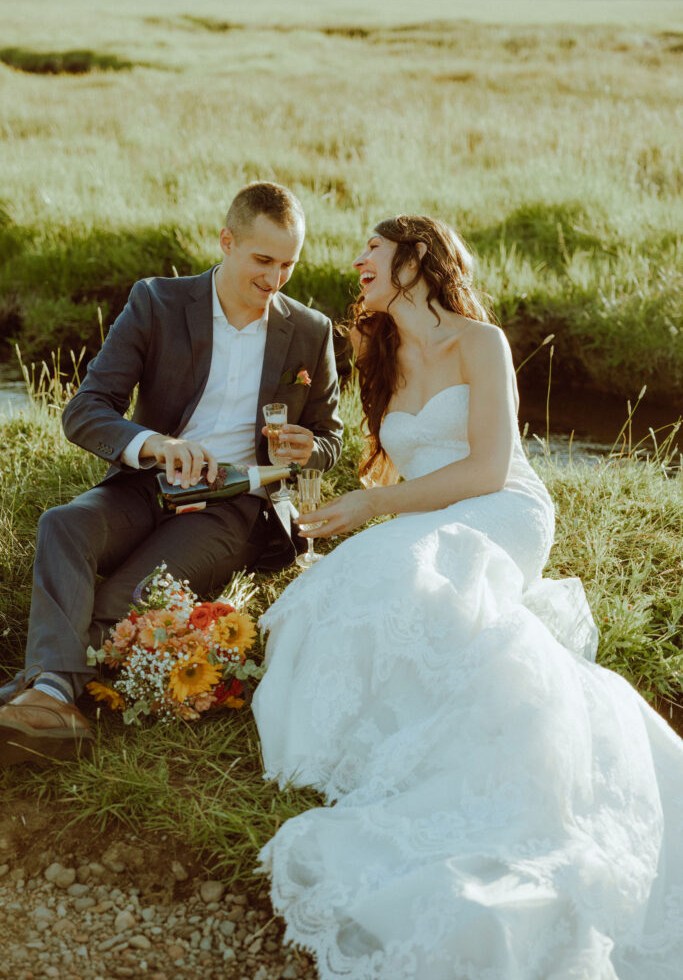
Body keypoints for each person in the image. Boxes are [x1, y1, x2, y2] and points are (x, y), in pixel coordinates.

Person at [252, 215, 683, 980]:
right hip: (425, 511)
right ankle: (385, 735)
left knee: (415, 562)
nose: (357, 262)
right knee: (347, 583)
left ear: (415, 261)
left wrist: (372, 509)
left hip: (501, 510)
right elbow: (391, 469)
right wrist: (339, 485)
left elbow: (485, 469)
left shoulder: (479, 343)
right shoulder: (373, 350)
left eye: (372, 252)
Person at [0, 181, 343, 766]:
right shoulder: (156, 301)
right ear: (226, 241)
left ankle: (45, 693)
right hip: (144, 483)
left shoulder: (309, 331)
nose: (275, 279)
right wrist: (155, 445)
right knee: (64, 524)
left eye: (288, 264)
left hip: (232, 505)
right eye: (262, 260)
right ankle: (54, 695)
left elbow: (331, 441)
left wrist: (308, 447)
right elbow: (85, 411)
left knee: (125, 592)